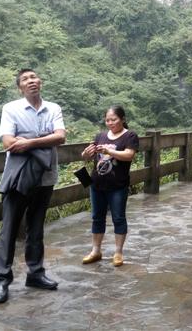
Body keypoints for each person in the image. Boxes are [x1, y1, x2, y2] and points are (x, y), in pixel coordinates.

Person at [0, 69, 66, 304]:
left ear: (40, 82)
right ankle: (1, 281)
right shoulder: (11, 109)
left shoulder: (53, 108)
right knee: (9, 231)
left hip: (45, 178)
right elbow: (8, 142)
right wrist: (44, 140)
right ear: (20, 87)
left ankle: (35, 274)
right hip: (19, 178)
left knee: (36, 228)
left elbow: (60, 137)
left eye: (34, 77)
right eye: (25, 79)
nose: (31, 81)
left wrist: (30, 142)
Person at [80, 106, 138, 267]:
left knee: (118, 217)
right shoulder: (100, 135)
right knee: (97, 217)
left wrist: (109, 151)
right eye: (107, 120)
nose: (110, 123)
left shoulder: (130, 135)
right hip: (97, 184)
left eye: (114, 119)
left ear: (123, 119)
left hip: (118, 185)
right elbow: (87, 157)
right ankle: (96, 251)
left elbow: (129, 155)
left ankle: (118, 252)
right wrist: (86, 153)